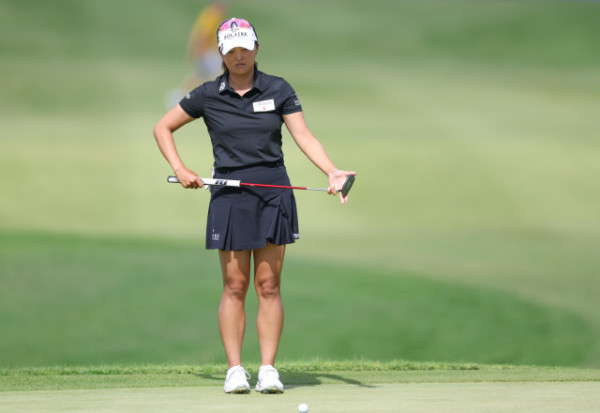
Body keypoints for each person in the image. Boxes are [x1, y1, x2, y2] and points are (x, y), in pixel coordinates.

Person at [153, 17, 356, 394]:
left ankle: (267, 370)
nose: (239, 56)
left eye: (245, 48)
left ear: (256, 48)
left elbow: (303, 135)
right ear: (221, 54)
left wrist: (331, 170)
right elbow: (162, 127)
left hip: (273, 192)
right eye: (232, 50)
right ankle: (234, 370)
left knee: (268, 285)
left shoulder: (278, 89)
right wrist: (180, 169)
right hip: (229, 194)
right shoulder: (207, 94)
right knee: (235, 285)